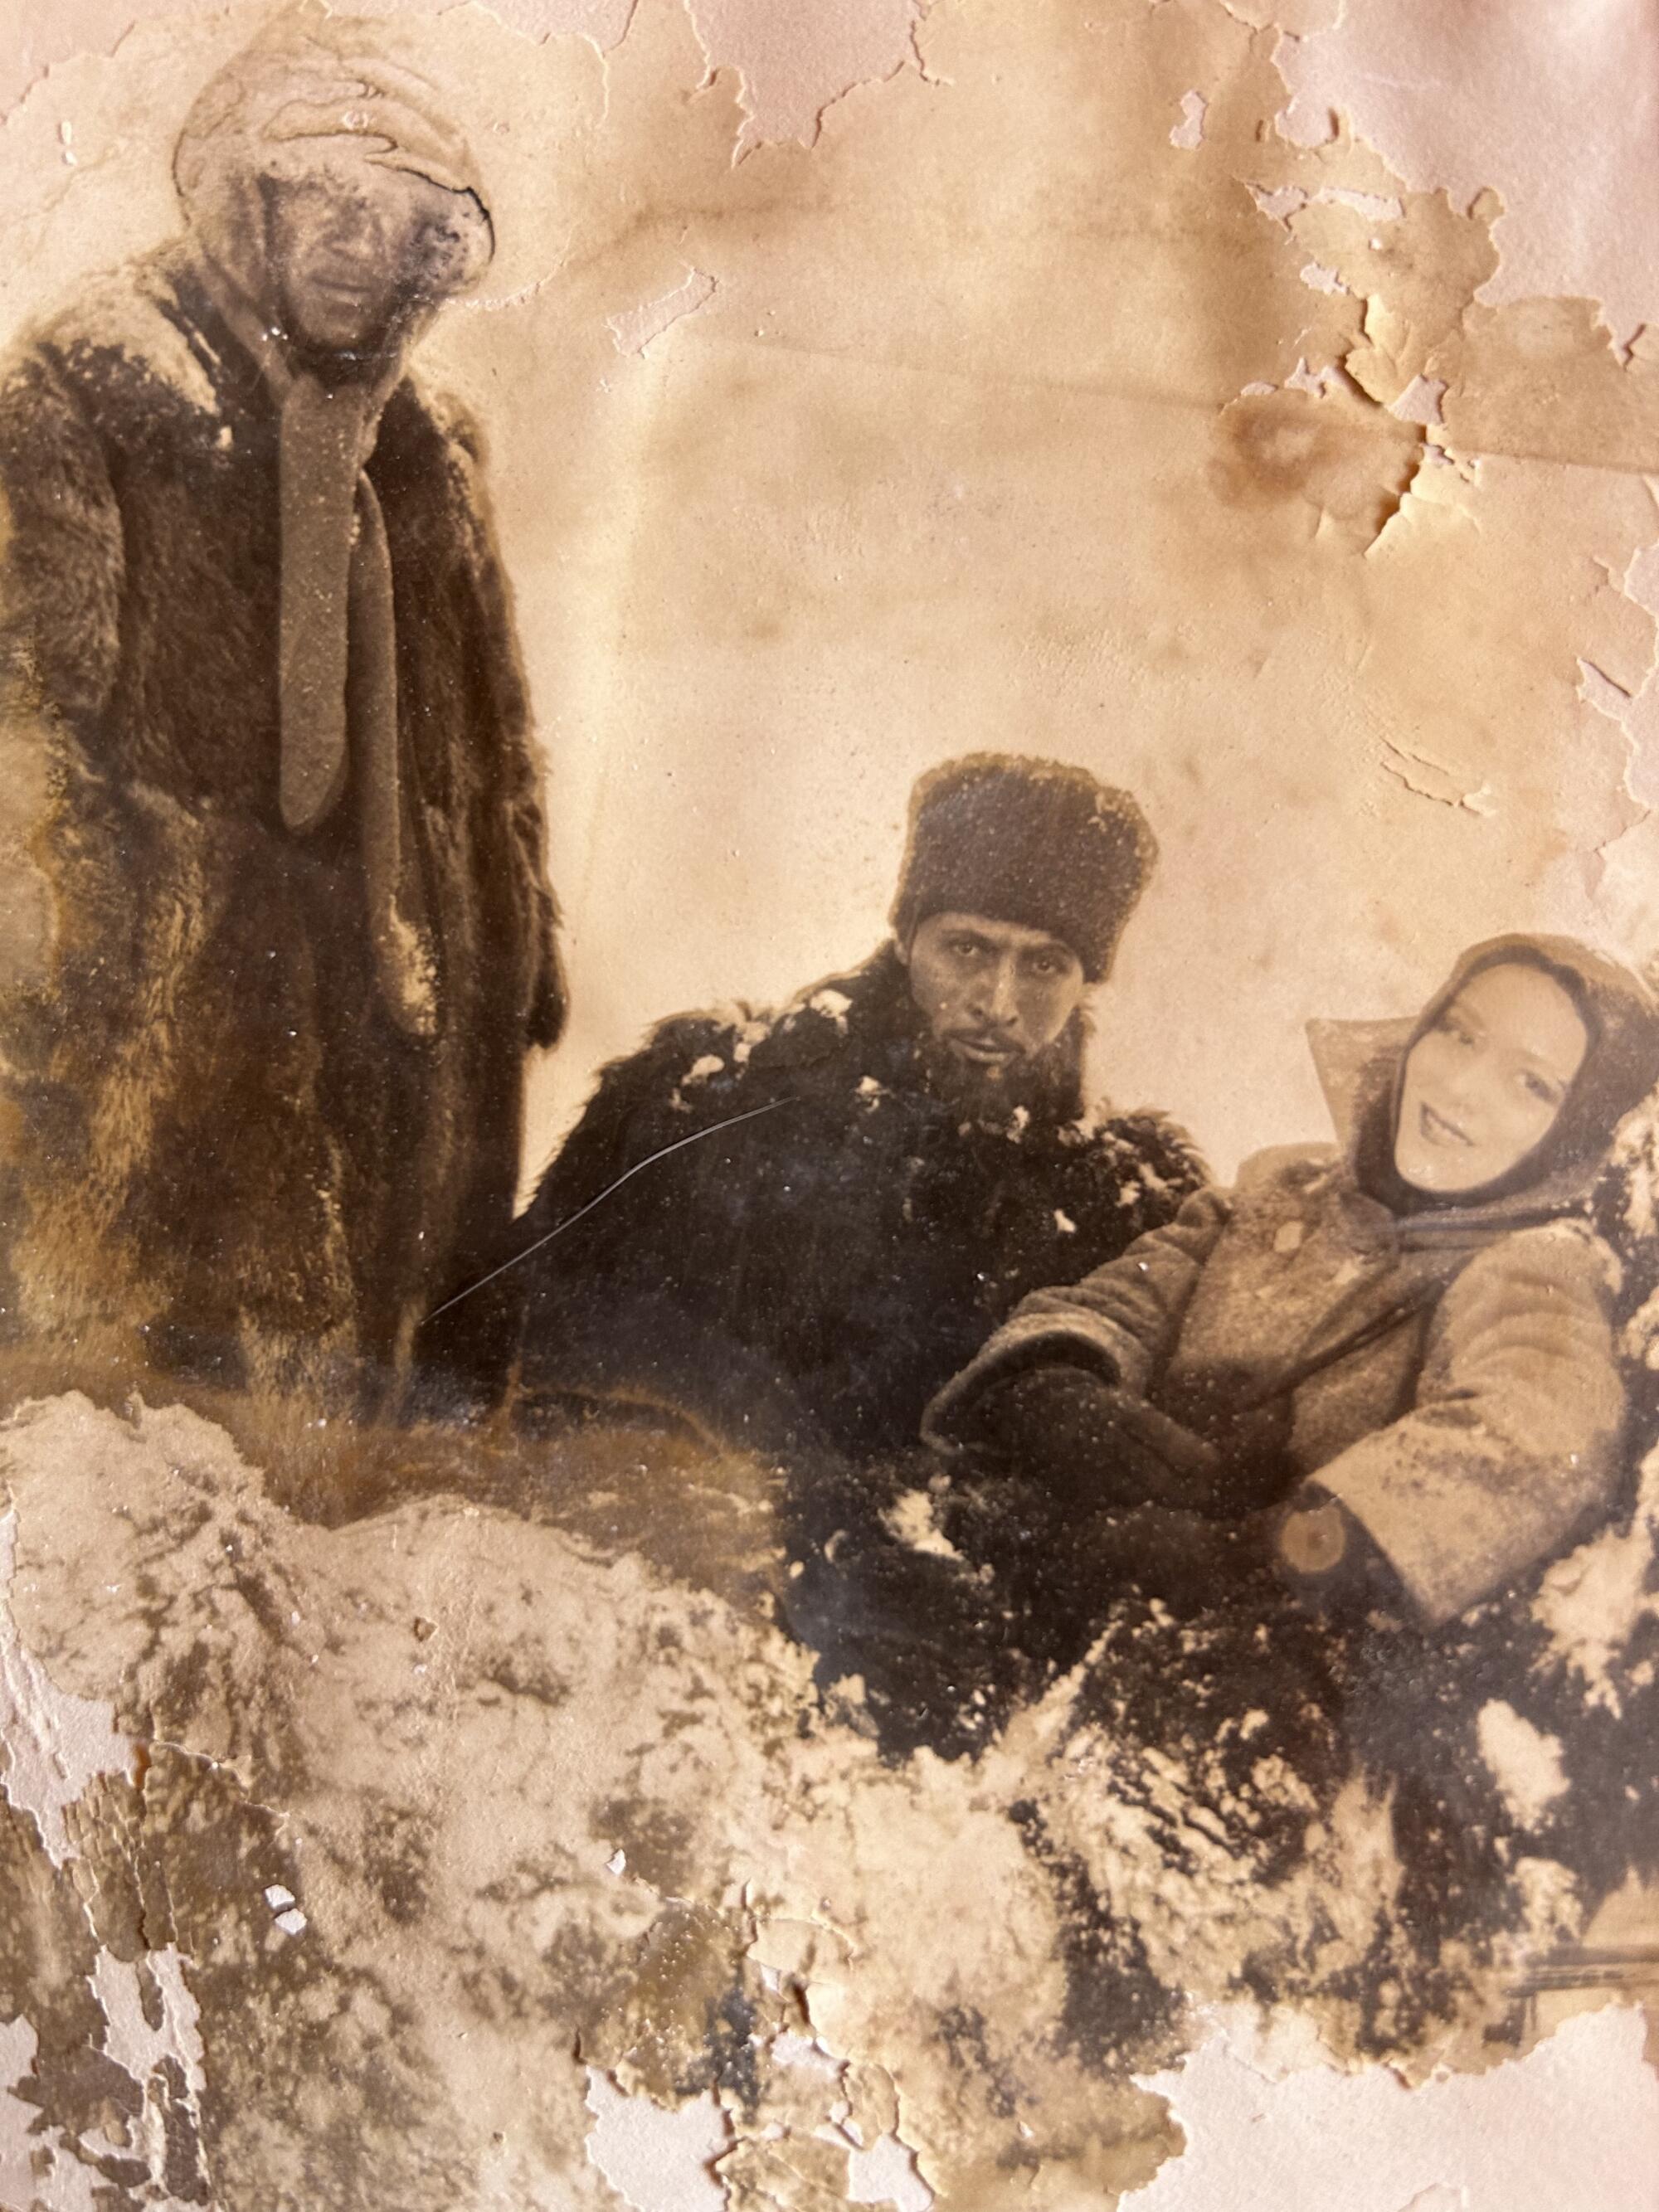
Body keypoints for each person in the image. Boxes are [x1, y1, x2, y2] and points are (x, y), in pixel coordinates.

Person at [0, 16, 563, 1398]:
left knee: (357, 1427)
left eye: (392, 216)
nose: (349, 240)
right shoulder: (91, 381)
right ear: (252, 202)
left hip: (400, 992)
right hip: (172, 999)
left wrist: (515, 920)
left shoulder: (430, 447)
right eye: (320, 194)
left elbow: (495, 733)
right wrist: (118, 927)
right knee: (139, 1425)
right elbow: (23, 714)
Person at [437, 753, 1204, 1454]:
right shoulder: (705, 1101)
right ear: (906, 941)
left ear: (1086, 980)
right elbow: (499, 1337)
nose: (998, 1002)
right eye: (967, 948)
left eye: (1045, 964)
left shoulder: (1131, 1203)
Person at [927, 932, 1659, 1636]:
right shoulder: (1281, 1184)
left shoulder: (1532, 1262)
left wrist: (1267, 1549)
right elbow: (1122, 1298)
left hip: (1255, 1644)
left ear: (1580, 1132)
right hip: (1082, 1546)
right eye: (1460, 1033)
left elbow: (1534, 1439)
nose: (1460, 1087)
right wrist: (1059, 1389)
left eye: (1532, 1083)